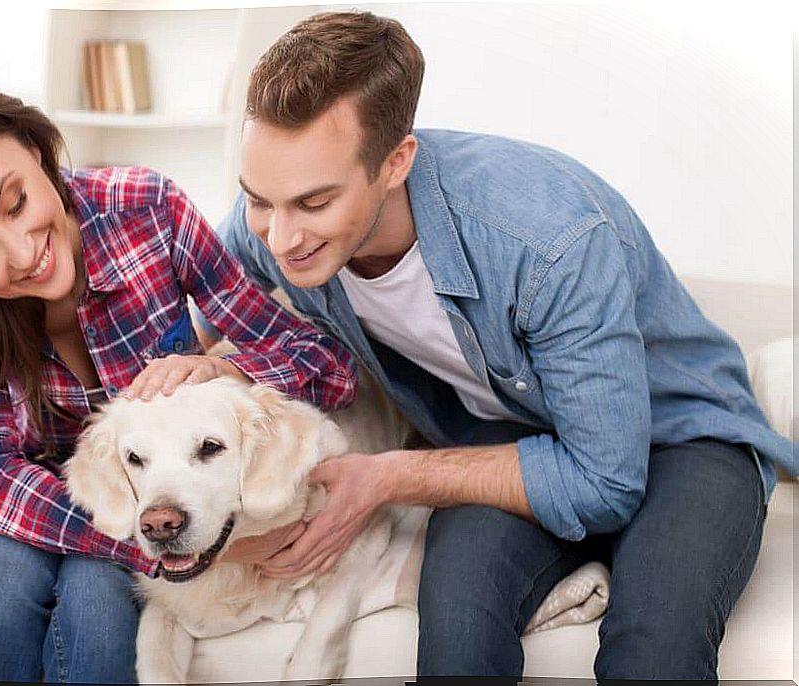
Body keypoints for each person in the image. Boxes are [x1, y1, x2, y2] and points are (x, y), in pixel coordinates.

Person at [203, 11, 798, 681]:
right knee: (457, 625)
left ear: (395, 162)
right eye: (258, 200)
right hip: (512, 440)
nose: (280, 238)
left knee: (654, 641)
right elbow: (195, 303)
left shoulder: (549, 240)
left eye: (314, 203)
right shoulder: (276, 215)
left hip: (680, 441)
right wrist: (186, 356)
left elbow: (603, 482)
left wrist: (391, 475)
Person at [0, 79, 356, 683]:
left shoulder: (147, 210)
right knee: (2, 586)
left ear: (38, 150)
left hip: (139, 491)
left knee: (97, 604)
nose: (22, 254)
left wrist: (225, 367)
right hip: (54, 492)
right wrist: (157, 545)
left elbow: (326, 362)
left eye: (17, 202)